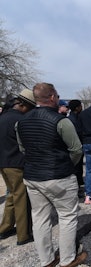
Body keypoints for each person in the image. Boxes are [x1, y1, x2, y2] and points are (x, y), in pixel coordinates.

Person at [16, 83, 86, 267]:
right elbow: (77, 149)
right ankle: (67, 260)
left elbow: (23, 149)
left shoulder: (20, 122)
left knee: (39, 218)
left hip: (32, 177)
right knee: (67, 217)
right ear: (53, 97)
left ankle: (46, 260)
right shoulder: (61, 121)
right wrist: (66, 165)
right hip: (59, 176)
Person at [0, 89, 36, 246]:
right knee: (21, 198)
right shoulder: (21, 120)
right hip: (16, 163)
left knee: (12, 196)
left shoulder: (3, 117)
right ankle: (23, 234)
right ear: (24, 105)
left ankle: (5, 227)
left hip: (4, 162)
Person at [67, 100, 84, 187]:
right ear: (77, 108)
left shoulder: (73, 118)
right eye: (80, 106)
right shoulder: (73, 119)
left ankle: (79, 181)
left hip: (76, 145)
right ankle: (76, 185)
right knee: (76, 167)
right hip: (75, 146)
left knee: (78, 167)